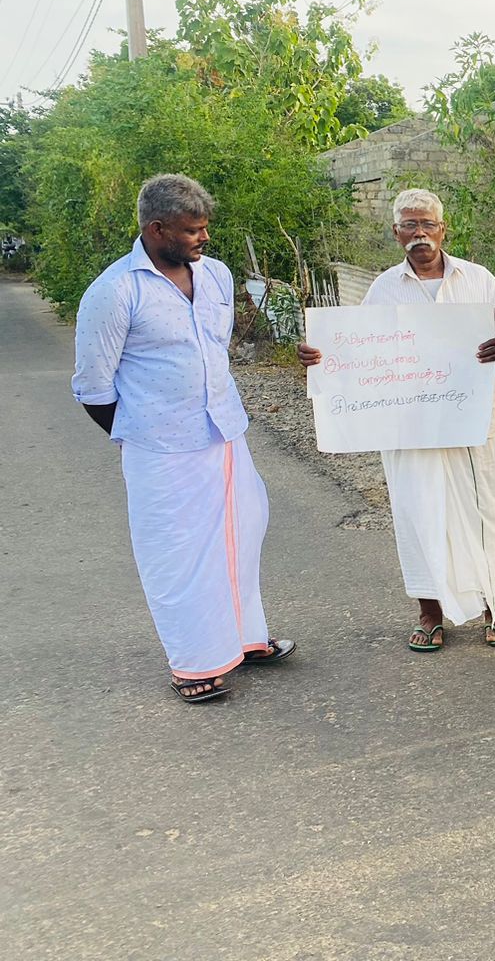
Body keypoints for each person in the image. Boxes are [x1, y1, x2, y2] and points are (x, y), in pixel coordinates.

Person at [72, 174, 294, 703]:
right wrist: (143, 437)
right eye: (193, 230)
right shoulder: (114, 292)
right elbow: (92, 387)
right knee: (177, 551)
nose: (204, 238)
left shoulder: (214, 275)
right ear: (157, 229)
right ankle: (194, 664)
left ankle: (244, 639)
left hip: (225, 431)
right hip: (161, 448)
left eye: (205, 228)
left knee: (242, 532)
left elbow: (216, 350)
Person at [297, 189, 495, 652]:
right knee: (416, 512)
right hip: (407, 425)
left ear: (444, 230)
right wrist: (320, 356)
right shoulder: (384, 288)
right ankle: (429, 611)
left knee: (486, 511)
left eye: (427, 224)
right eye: (409, 225)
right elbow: (357, 353)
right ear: (395, 232)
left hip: (470, 423)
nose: (419, 234)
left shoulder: (477, 279)